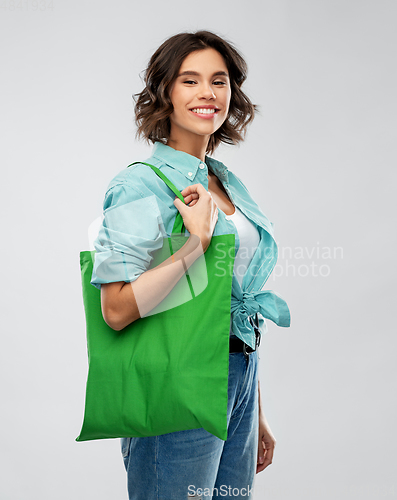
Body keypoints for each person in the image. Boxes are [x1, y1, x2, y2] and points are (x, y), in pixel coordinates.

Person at [90, 30, 290, 500]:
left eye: (219, 81)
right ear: (165, 92)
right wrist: (194, 244)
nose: (208, 94)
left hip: (239, 377)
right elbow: (115, 309)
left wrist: (253, 406)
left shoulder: (225, 182)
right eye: (190, 81)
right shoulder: (139, 186)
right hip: (176, 382)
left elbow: (232, 298)